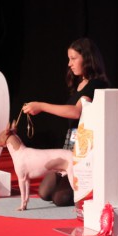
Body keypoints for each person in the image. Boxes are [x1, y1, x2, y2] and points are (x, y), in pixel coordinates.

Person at [22, 37, 110, 207]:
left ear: (87, 58)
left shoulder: (96, 84)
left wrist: (41, 106)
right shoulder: (79, 83)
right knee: (44, 192)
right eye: (69, 59)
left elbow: (76, 112)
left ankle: (87, 186)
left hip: (84, 150)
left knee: (60, 198)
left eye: (73, 58)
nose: (70, 64)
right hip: (69, 147)